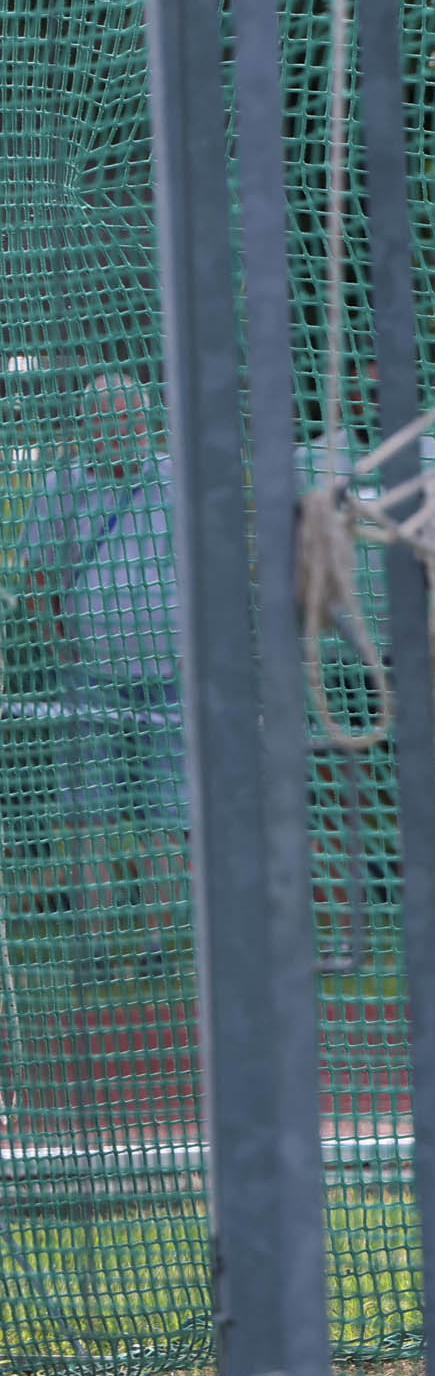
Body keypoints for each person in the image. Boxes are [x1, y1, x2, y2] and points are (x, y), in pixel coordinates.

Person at [18, 376, 183, 973]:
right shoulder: (62, 488)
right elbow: (37, 578)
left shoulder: (175, 479)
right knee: (89, 816)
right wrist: (60, 646)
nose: (123, 431)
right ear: (88, 426)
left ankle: (156, 945)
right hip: (91, 676)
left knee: (168, 814)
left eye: (132, 419)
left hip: (171, 674)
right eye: (110, 420)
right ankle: (95, 946)